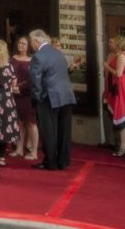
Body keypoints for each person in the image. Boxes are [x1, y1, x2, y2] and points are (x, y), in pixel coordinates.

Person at [29, 28, 76, 171]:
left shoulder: (38, 56)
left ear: (36, 41)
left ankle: (51, 161)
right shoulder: (58, 53)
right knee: (63, 130)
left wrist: (36, 98)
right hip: (66, 95)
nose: (32, 45)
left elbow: (35, 80)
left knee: (49, 130)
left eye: (32, 42)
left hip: (49, 96)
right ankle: (63, 160)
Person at [102, 35, 125, 156]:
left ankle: (122, 147)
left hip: (122, 86)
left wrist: (107, 67)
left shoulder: (122, 56)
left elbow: (118, 73)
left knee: (122, 116)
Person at [10, 35, 39, 159]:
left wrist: (20, 87)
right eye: (19, 43)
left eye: (24, 43)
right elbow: (9, 73)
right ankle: (19, 149)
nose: (20, 45)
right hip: (14, 94)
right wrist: (12, 86)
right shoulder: (12, 59)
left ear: (28, 46)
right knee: (19, 123)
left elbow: (32, 78)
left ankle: (34, 151)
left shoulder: (32, 60)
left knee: (31, 123)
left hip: (27, 95)